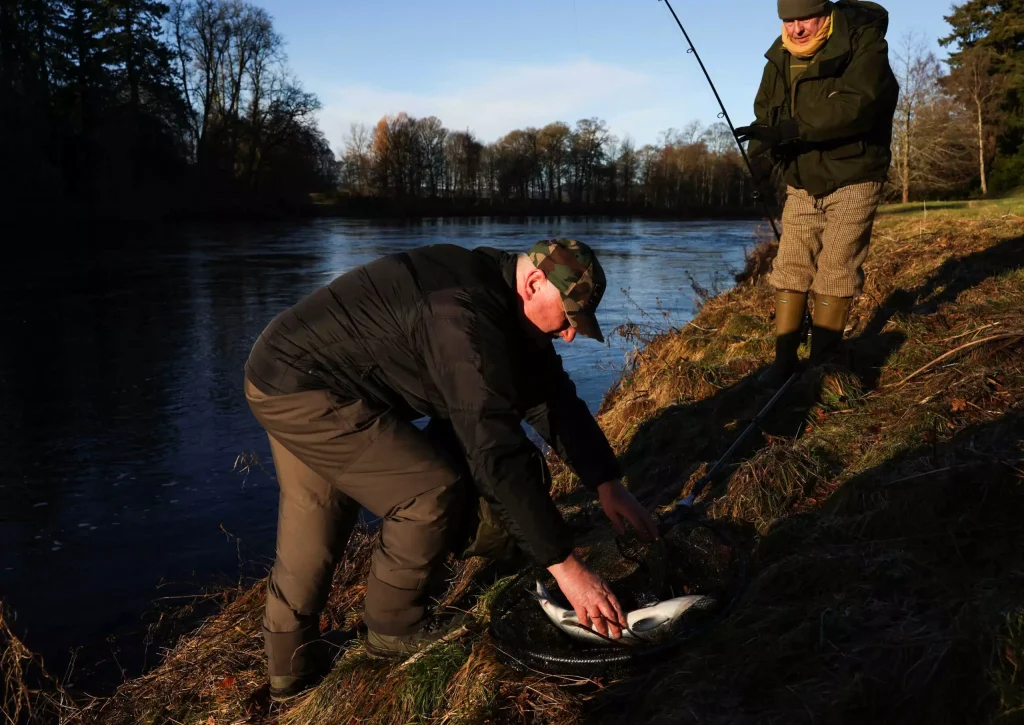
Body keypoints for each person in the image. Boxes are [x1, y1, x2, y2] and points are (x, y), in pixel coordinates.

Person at [243, 238, 658, 700]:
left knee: (313, 522)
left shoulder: (499, 296)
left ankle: (289, 674)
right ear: (535, 282)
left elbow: (549, 396)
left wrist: (605, 480)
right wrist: (566, 566)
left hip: (285, 367)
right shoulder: (464, 323)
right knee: (428, 491)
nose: (568, 335)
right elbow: (495, 452)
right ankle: (392, 629)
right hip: (302, 385)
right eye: (568, 318)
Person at [734, 0, 899, 386]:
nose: (796, 28)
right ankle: (784, 362)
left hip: (855, 172)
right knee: (790, 264)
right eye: (788, 20)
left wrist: (788, 130)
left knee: (837, 268)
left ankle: (823, 365)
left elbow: (855, 106)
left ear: (825, 13)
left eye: (804, 18)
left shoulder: (865, 44)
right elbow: (768, 114)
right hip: (803, 178)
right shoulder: (778, 59)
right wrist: (765, 145)